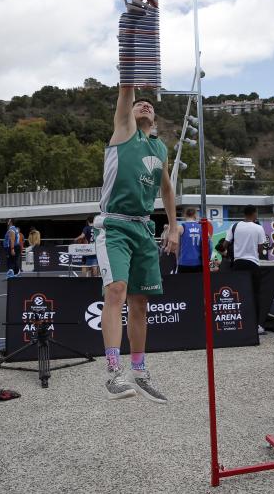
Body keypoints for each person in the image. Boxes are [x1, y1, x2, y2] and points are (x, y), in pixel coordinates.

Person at [93, 82, 178, 403]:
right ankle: (114, 372)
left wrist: (173, 226)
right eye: (137, 104)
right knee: (116, 290)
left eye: (149, 105)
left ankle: (140, 371)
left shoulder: (159, 149)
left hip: (143, 228)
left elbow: (167, 189)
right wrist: (128, 74)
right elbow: (126, 94)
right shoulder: (124, 131)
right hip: (114, 223)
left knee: (140, 303)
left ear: (155, 118)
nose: (144, 105)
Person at [220, 205, 267, 333]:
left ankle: (238, 322)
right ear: (254, 213)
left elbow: (224, 245)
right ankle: (256, 325)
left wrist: (228, 253)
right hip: (253, 264)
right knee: (255, 294)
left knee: (238, 295)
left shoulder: (234, 226)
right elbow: (260, 250)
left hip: (238, 264)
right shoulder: (258, 228)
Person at [177, 207, 210, 273]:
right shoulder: (202, 227)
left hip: (184, 262)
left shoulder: (181, 227)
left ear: (185, 215)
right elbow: (209, 244)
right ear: (195, 215)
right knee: (197, 283)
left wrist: (177, 260)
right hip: (198, 262)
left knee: (183, 283)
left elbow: (177, 247)